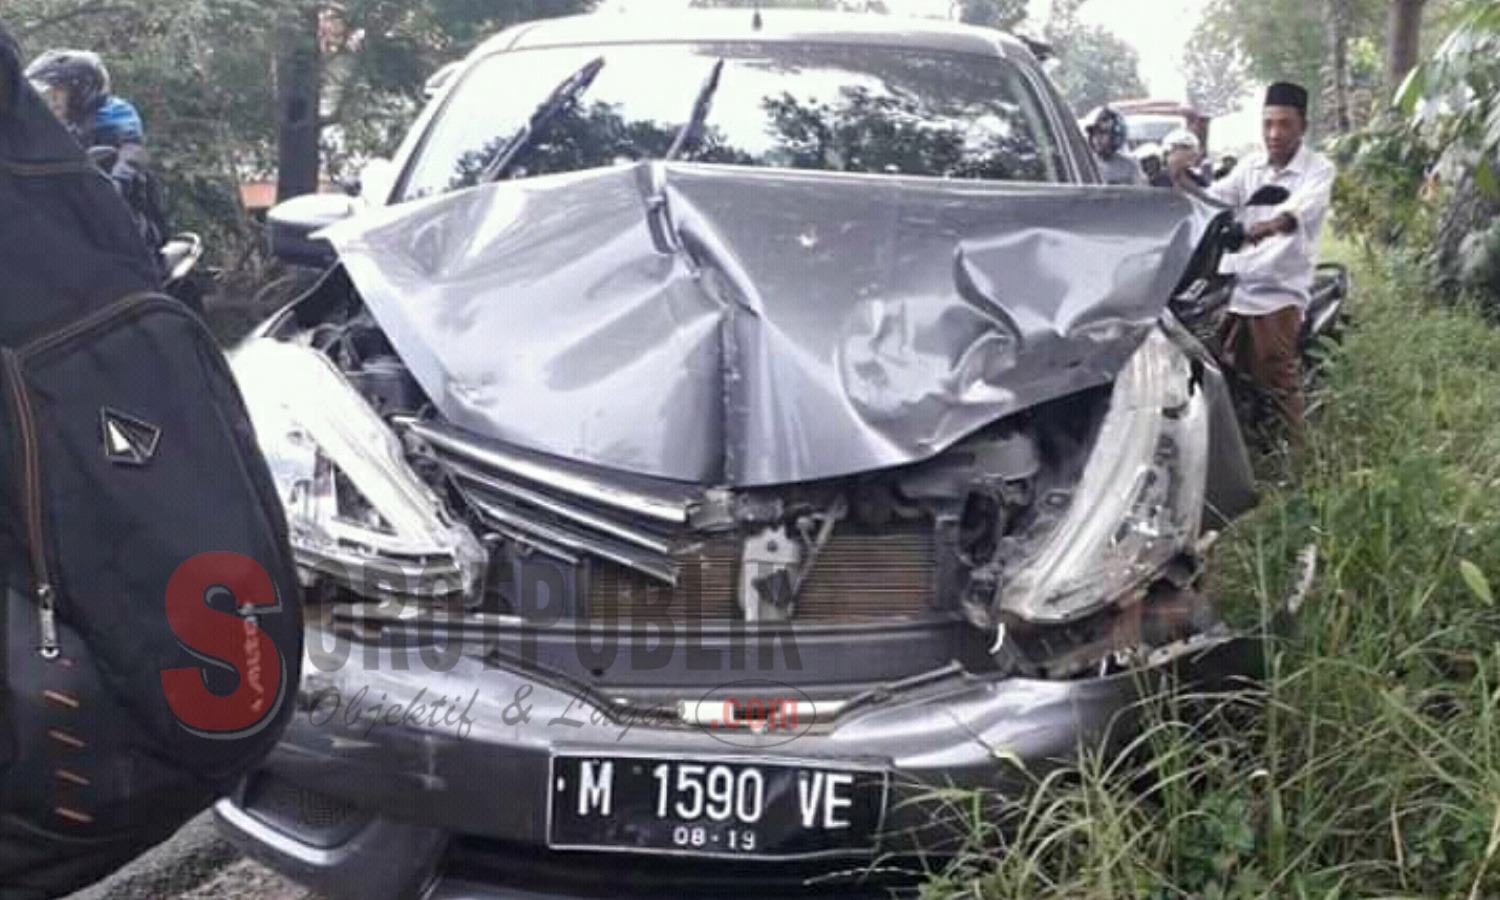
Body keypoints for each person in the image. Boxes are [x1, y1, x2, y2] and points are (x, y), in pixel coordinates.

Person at [1173, 81, 1335, 448]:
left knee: (1275, 373)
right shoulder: (1250, 167)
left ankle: (1296, 455)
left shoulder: (1317, 169)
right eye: (1268, 124)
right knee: (1220, 365)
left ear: (1302, 127)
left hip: (1280, 292)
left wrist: (1262, 228)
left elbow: (1299, 211)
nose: (1274, 134)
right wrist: (1183, 181)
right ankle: (1242, 440)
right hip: (1237, 286)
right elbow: (1216, 198)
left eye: (1284, 124)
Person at [24, 49, 168, 252]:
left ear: (83, 90)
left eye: (58, 92)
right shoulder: (62, 128)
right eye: (48, 94)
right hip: (79, 223)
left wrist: (116, 182)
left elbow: (132, 153)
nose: (52, 100)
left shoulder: (115, 116)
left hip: (128, 229)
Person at [1081, 106, 1144, 185]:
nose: (1097, 138)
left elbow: (1139, 194)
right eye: (1093, 134)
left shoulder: (1129, 167)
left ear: (1116, 134)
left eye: (1102, 133)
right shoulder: (1085, 165)